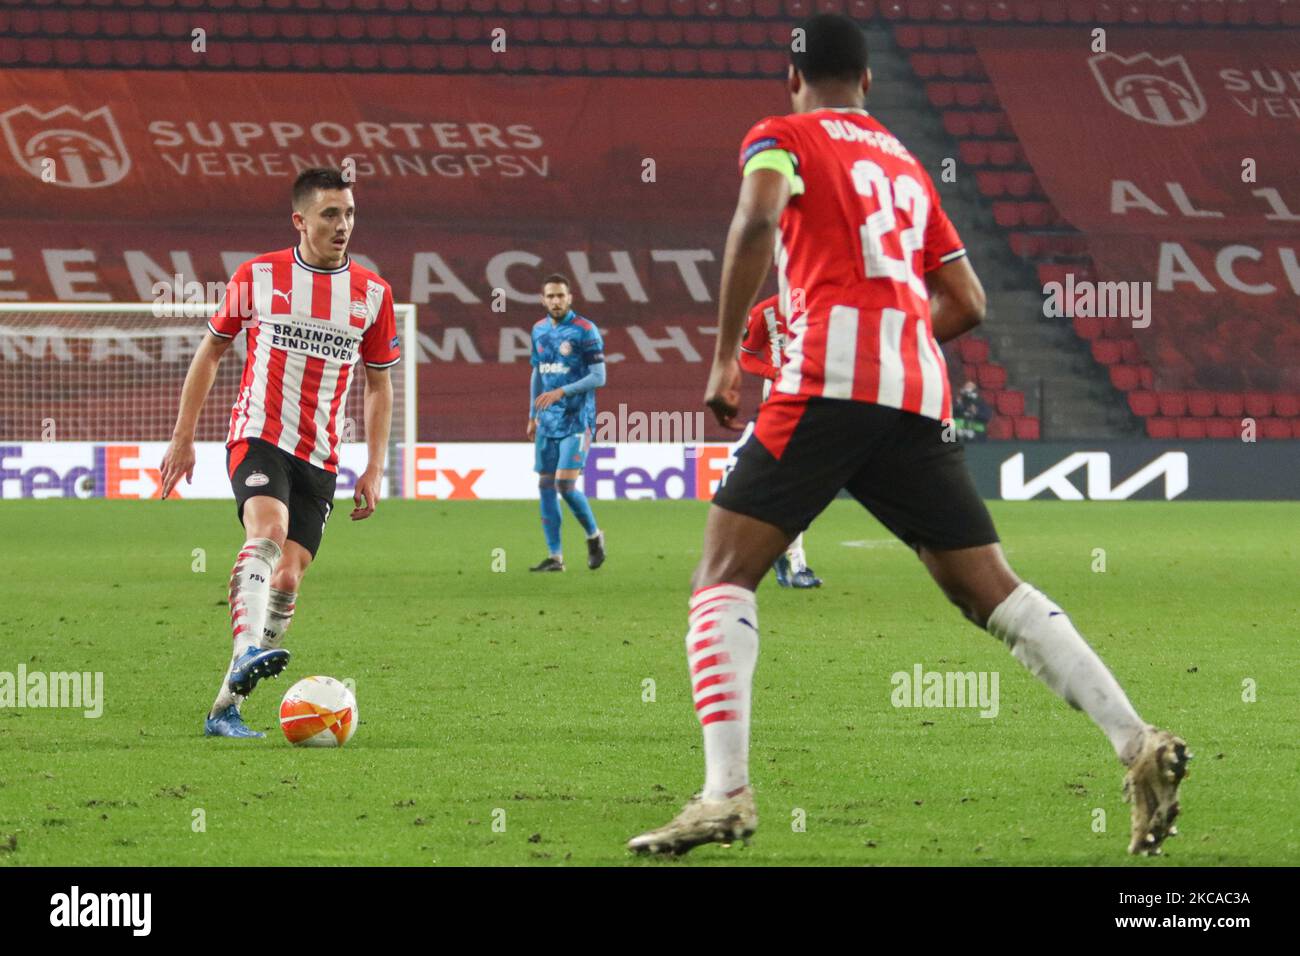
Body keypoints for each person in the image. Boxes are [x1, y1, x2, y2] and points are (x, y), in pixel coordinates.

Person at [627, 14, 1188, 857]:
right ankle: (1136, 740)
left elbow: (754, 219)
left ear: (793, 79)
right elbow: (967, 303)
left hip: (823, 380)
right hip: (916, 390)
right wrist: (891, 333)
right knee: (989, 589)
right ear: (870, 82)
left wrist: (724, 358)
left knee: (722, 574)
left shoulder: (782, 136)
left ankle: (725, 795)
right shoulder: (903, 162)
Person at [159, 167, 400, 738]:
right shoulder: (258, 275)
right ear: (300, 220)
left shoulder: (372, 293)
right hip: (259, 437)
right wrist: (183, 435)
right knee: (266, 533)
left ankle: (224, 708)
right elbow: (212, 351)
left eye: (349, 214)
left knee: (287, 579)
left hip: (321, 457)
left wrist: (374, 465)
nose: (343, 225)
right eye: (330, 215)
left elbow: (379, 383)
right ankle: (245, 651)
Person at [738, 294, 822, 587]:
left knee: (798, 485)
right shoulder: (765, 311)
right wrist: (774, 373)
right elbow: (746, 355)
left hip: (816, 399)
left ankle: (774, 550)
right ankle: (798, 565)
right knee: (795, 484)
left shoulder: (824, 301)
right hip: (780, 400)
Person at [527, 274, 607, 572]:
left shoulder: (585, 331)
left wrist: (562, 391)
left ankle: (594, 536)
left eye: (561, 295)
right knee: (545, 484)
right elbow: (537, 372)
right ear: (542, 299)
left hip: (577, 420)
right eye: (550, 296)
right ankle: (555, 556)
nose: (556, 301)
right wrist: (532, 415)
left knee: (565, 484)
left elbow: (599, 377)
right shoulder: (538, 330)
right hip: (546, 423)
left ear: (570, 297)